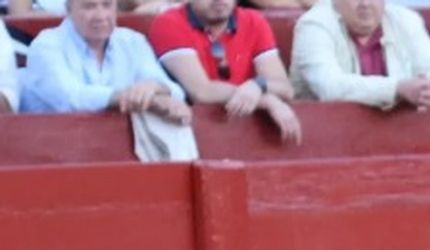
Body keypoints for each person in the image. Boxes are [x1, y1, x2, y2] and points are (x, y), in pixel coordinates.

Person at [148, 0, 302, 143]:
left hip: (247, 133)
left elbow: (284, 88)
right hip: (189, 134)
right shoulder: (169, 23)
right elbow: (202, 92)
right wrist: (267, 101)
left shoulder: (253, 20)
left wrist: (257, 86)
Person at [20, 0, 191, 121]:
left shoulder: (132, 41)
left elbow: (176, 93)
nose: (100, 15)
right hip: (54, 151)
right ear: (69, 9)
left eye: (107, 5)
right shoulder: (46, 44)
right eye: (89, 6)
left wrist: (155, 87)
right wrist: (132, 97)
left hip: (119, 148)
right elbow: (72, 99)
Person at [290, 0, 430, 110]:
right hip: (328, 140)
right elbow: (330, 86)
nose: (365, 3)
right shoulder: (313, 25)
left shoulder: (406, 20)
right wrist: (397, 88)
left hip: (400, 135)